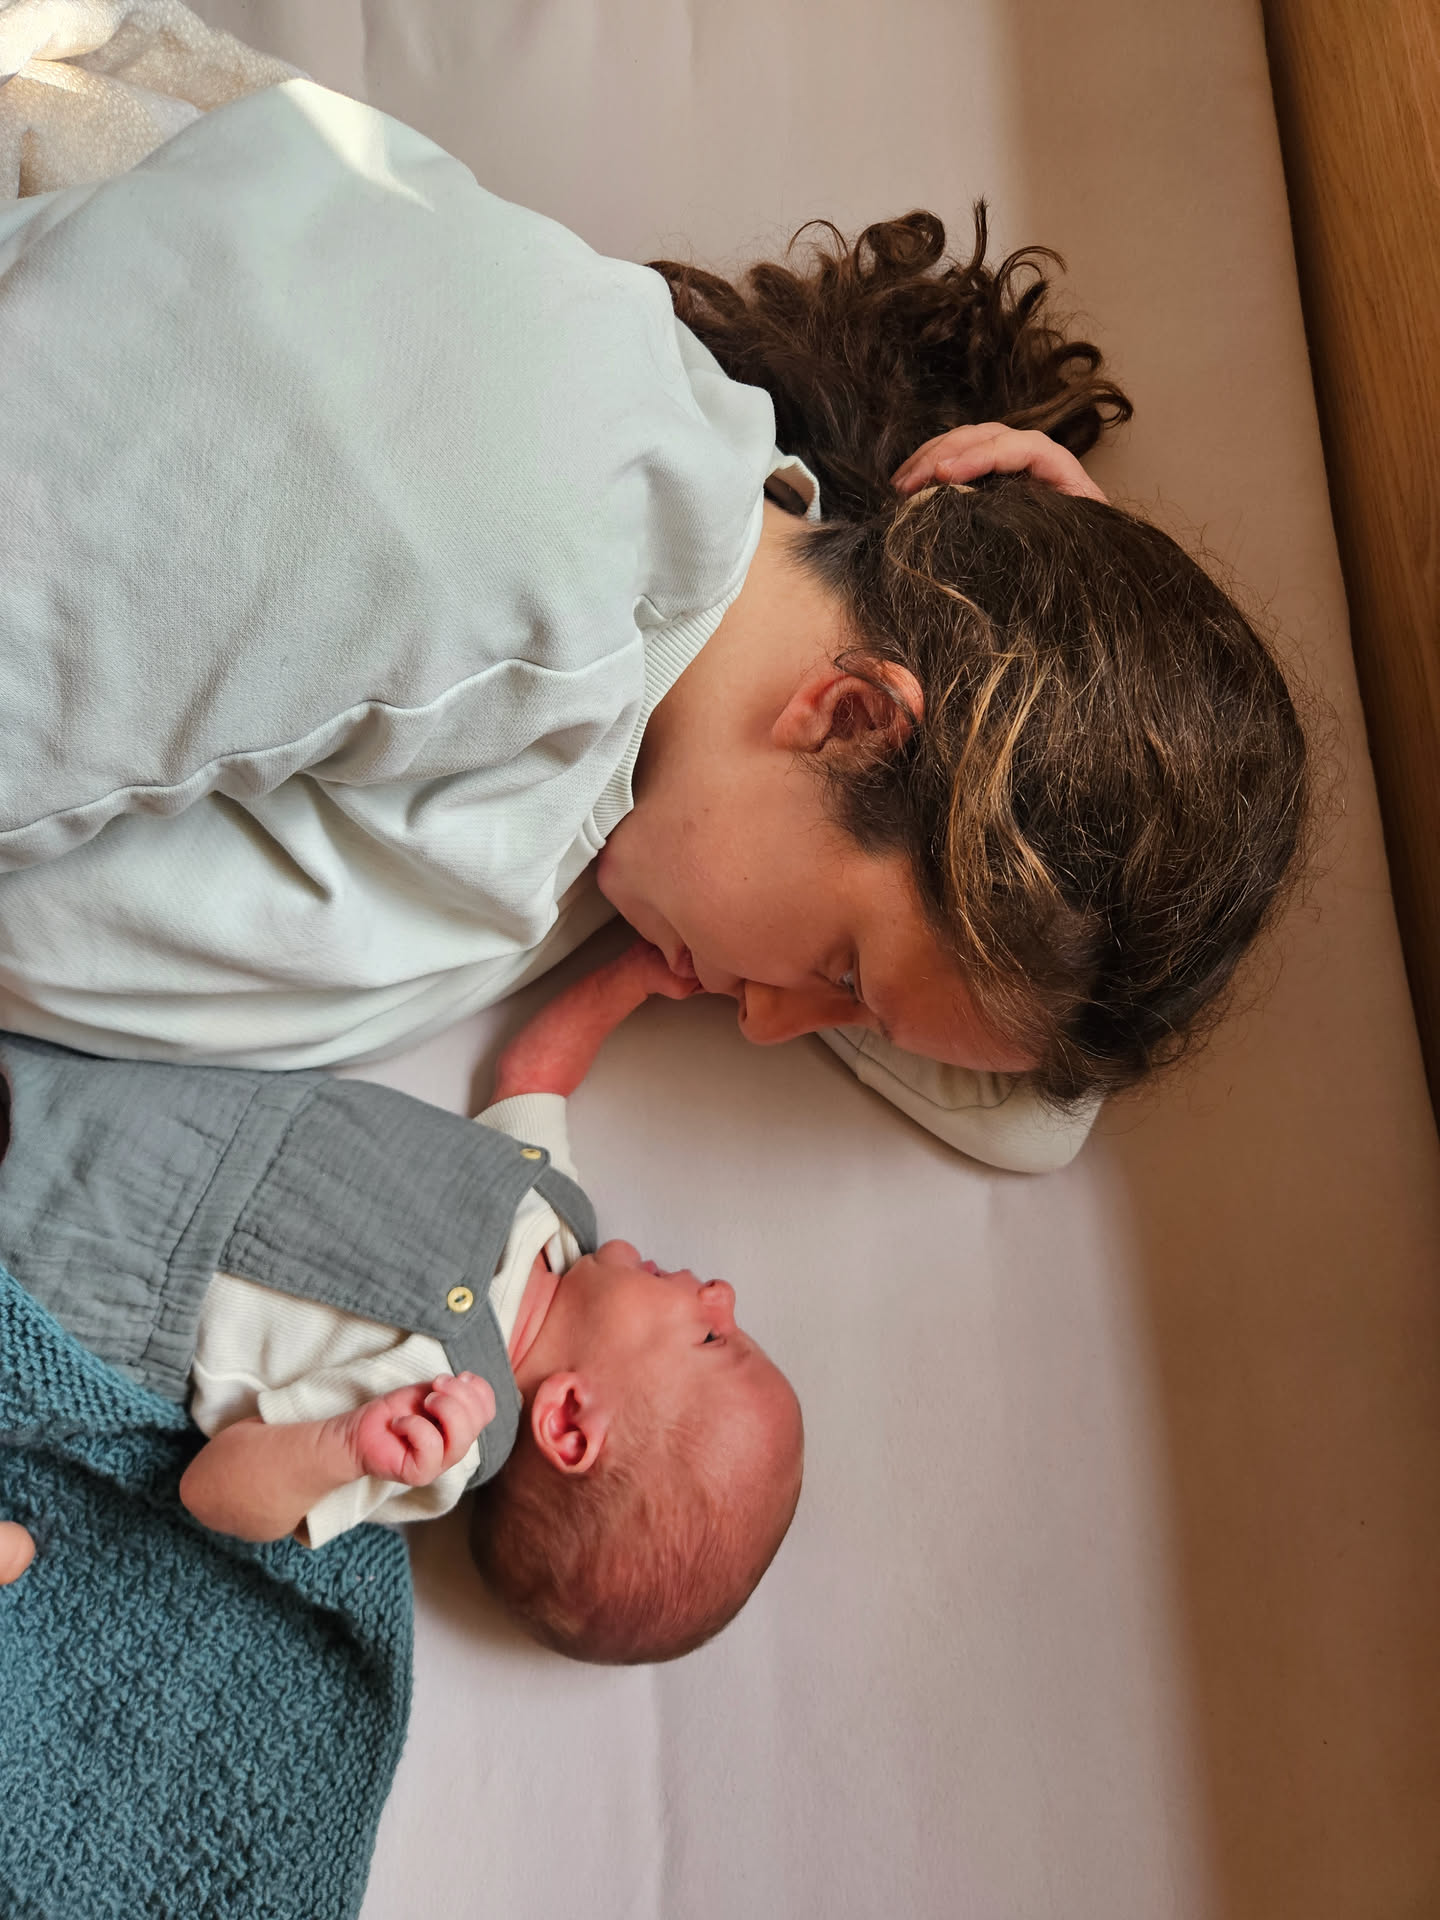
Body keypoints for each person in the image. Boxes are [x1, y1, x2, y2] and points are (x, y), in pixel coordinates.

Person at [0, 60, 1309, 1169]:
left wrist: (1081, 587)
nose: (762, 1024)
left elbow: (1032, 1123)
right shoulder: (492, 523)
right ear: (851, 716)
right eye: (840, 977)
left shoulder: (676, 765)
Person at [0, 939, 804, 1664]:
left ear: (567, 1421)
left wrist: (346, 1445)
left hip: (120, 1270)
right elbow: (536, 1074)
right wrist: (634, 977)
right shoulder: (559, 1218)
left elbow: (213, 1491)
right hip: (185, 1114)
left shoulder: (441, 1431)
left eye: (711, 1338)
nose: (723, 1295)